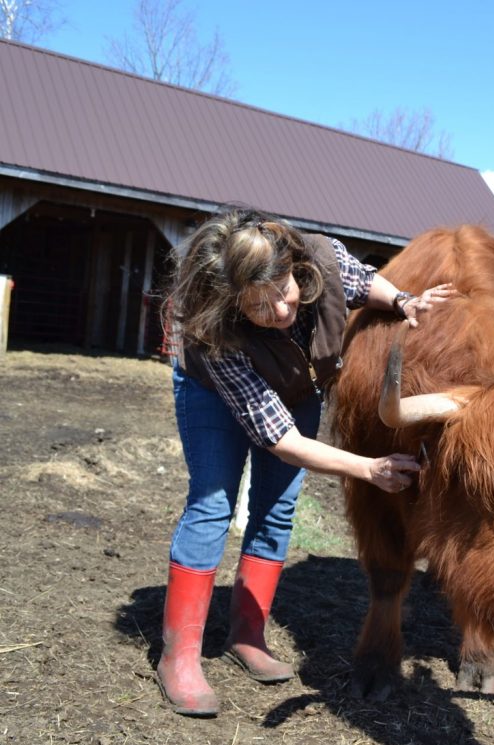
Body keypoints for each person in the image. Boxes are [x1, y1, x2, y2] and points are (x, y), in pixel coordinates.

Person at [158, 206, 455, 717]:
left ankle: (247, 634)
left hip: (297, 384)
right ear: (232, 302)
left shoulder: (317, 257)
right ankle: (178, 657)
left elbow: (363, 283)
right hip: (214, 394)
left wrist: (405, 300)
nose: (278, 310)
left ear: (293, 266)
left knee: (277, 509)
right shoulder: (216, 334)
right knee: (213, 504)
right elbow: (280, 438)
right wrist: (368, 468)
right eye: (257, 305)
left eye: (282, 289)